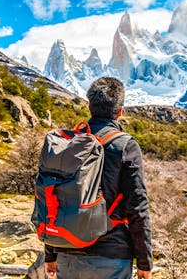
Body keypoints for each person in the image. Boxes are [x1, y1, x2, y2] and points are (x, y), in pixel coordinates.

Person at [44, 77, 152, 279]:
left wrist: (50, 253)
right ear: (120, 111)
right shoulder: (125, 145)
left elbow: (53, 198)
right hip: (111, 256)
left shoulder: (68, 144)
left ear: (89, 107)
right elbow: (137, 206)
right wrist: (145, 262)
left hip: (67, 251)